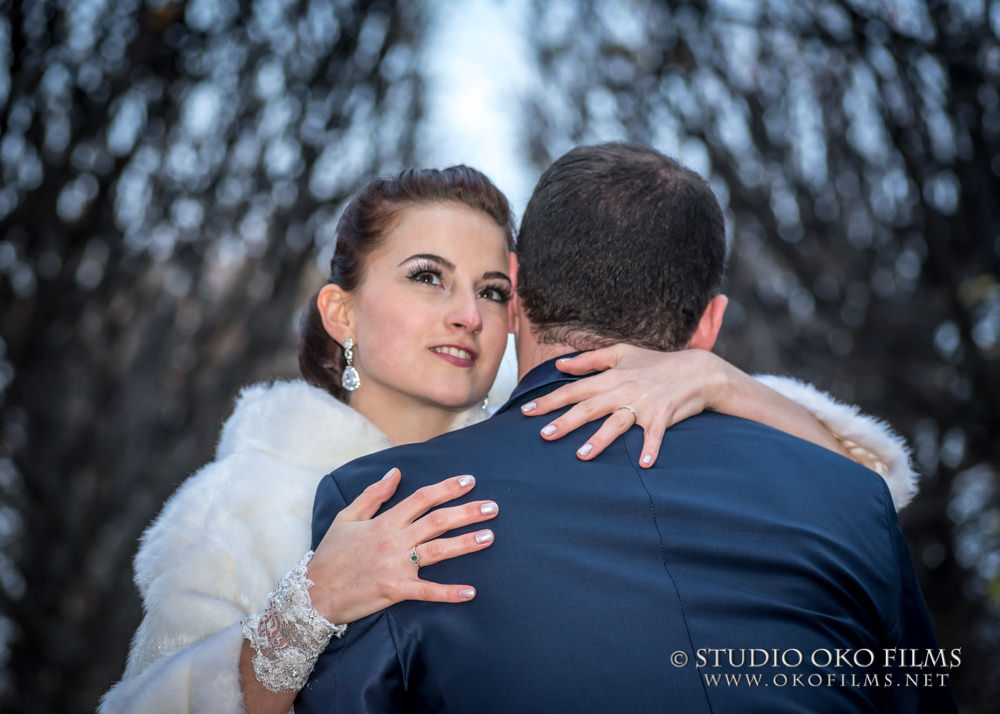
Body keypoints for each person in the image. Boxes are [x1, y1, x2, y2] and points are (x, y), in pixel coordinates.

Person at [102, 165, 915, 714]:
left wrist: (721, 381)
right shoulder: (238, 504)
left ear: (521, 304)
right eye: (428, 276)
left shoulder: (533, 458)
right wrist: (307, 605)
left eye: (492, 289)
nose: (468, 313)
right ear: (342, 313)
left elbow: (863, 490)